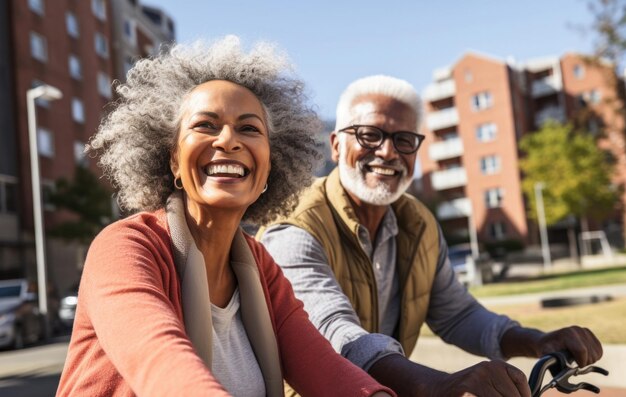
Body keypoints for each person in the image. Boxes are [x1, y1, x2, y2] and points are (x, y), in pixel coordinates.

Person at [56, 38, 395, 397]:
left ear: (268, 169)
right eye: (205, 125)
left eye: (249, 128)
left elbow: (324, 369)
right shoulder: (124, 248)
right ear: (173, 159)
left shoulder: (262, 267)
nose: (228, 140)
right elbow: (161, 363)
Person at [258, 75, 603, 397]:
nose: (388, 152)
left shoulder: (418, 222)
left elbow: (457, 315)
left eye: (404, 140)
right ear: (335, 145)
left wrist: (536, 341)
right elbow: (336, 336)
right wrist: (439, 384)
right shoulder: (295, 226)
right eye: (369, 135)